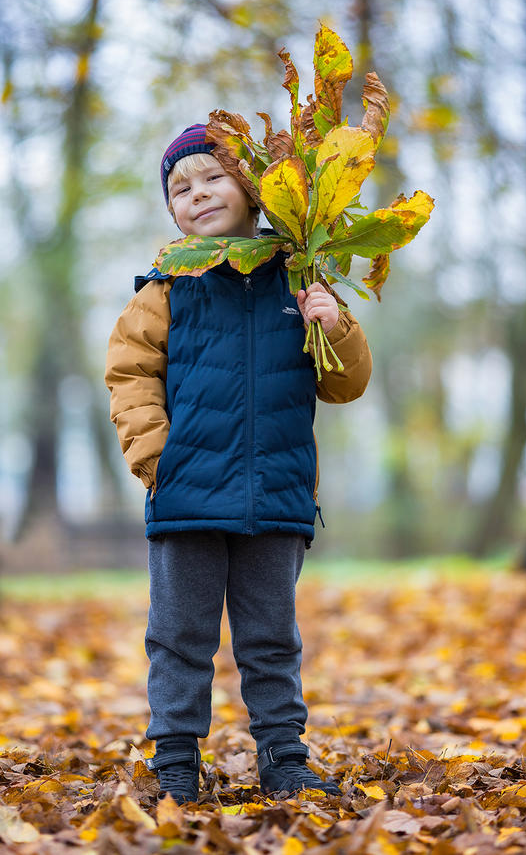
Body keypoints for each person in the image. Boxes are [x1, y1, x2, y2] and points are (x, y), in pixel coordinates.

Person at [105, 123, 373, 805]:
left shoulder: (300, 279)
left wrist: (334, 324)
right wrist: (156, 458)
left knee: (272, 639)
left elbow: (345, 382)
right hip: (188, 492)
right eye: (179, 189)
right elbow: (129, 373)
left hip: (276, 495)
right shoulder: (168, 287)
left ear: (254, 188)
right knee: (179, 635)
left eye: (212, 178)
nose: (197, 195)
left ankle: (284, 756)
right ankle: (174, 762)